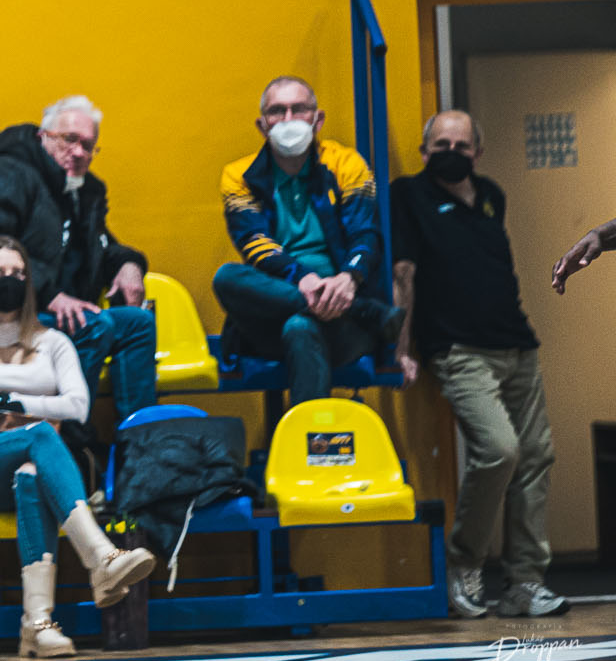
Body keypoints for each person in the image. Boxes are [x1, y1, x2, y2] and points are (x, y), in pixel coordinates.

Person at [0, 236, 156, 659]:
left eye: (19, 273)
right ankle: (101, 556)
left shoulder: (54, 342)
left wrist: (0, 402)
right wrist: (36, 408)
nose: (10, 280)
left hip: (36, 462)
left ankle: (37, 624)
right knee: (41, 434)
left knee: (32, 474)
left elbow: (78, 407)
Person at [391, 112, 565, 620]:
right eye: (441, 144)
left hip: (516, 343)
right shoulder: (409, 195)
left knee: (536, 456)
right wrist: (402, 347)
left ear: (477, 153)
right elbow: (404, 274)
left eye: (462, 145)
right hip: (457, 349)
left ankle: (525, 583)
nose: (452, 152)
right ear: (424, 151)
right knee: (499, 450)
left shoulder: (491, 195)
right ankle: (464, 564)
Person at [0, 96, 157, 426]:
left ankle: (141, 439)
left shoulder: (84, 191)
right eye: (69, 139)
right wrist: (51, 294)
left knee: (137, 324)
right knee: (95, 327)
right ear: (43, 136)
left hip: (48, 316)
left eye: (88, 146)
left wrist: (128, 265)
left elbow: (101, 245)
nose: (78, 152)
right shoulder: (7, 174)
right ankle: (68, 436)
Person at [211, 76, 405, 405]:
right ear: (262, 125)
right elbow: (255, 243)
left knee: (300, 327)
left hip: (343, 324)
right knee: (227, 277)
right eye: (277, 111)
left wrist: (348, 279)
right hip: (272, 316)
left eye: (298, 109)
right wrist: (305, 280)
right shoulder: (239, 175)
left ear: (318, 119)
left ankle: (308, 439)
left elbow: (365, 234)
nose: (288, 120)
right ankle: (362, 310)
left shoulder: (347, 164)